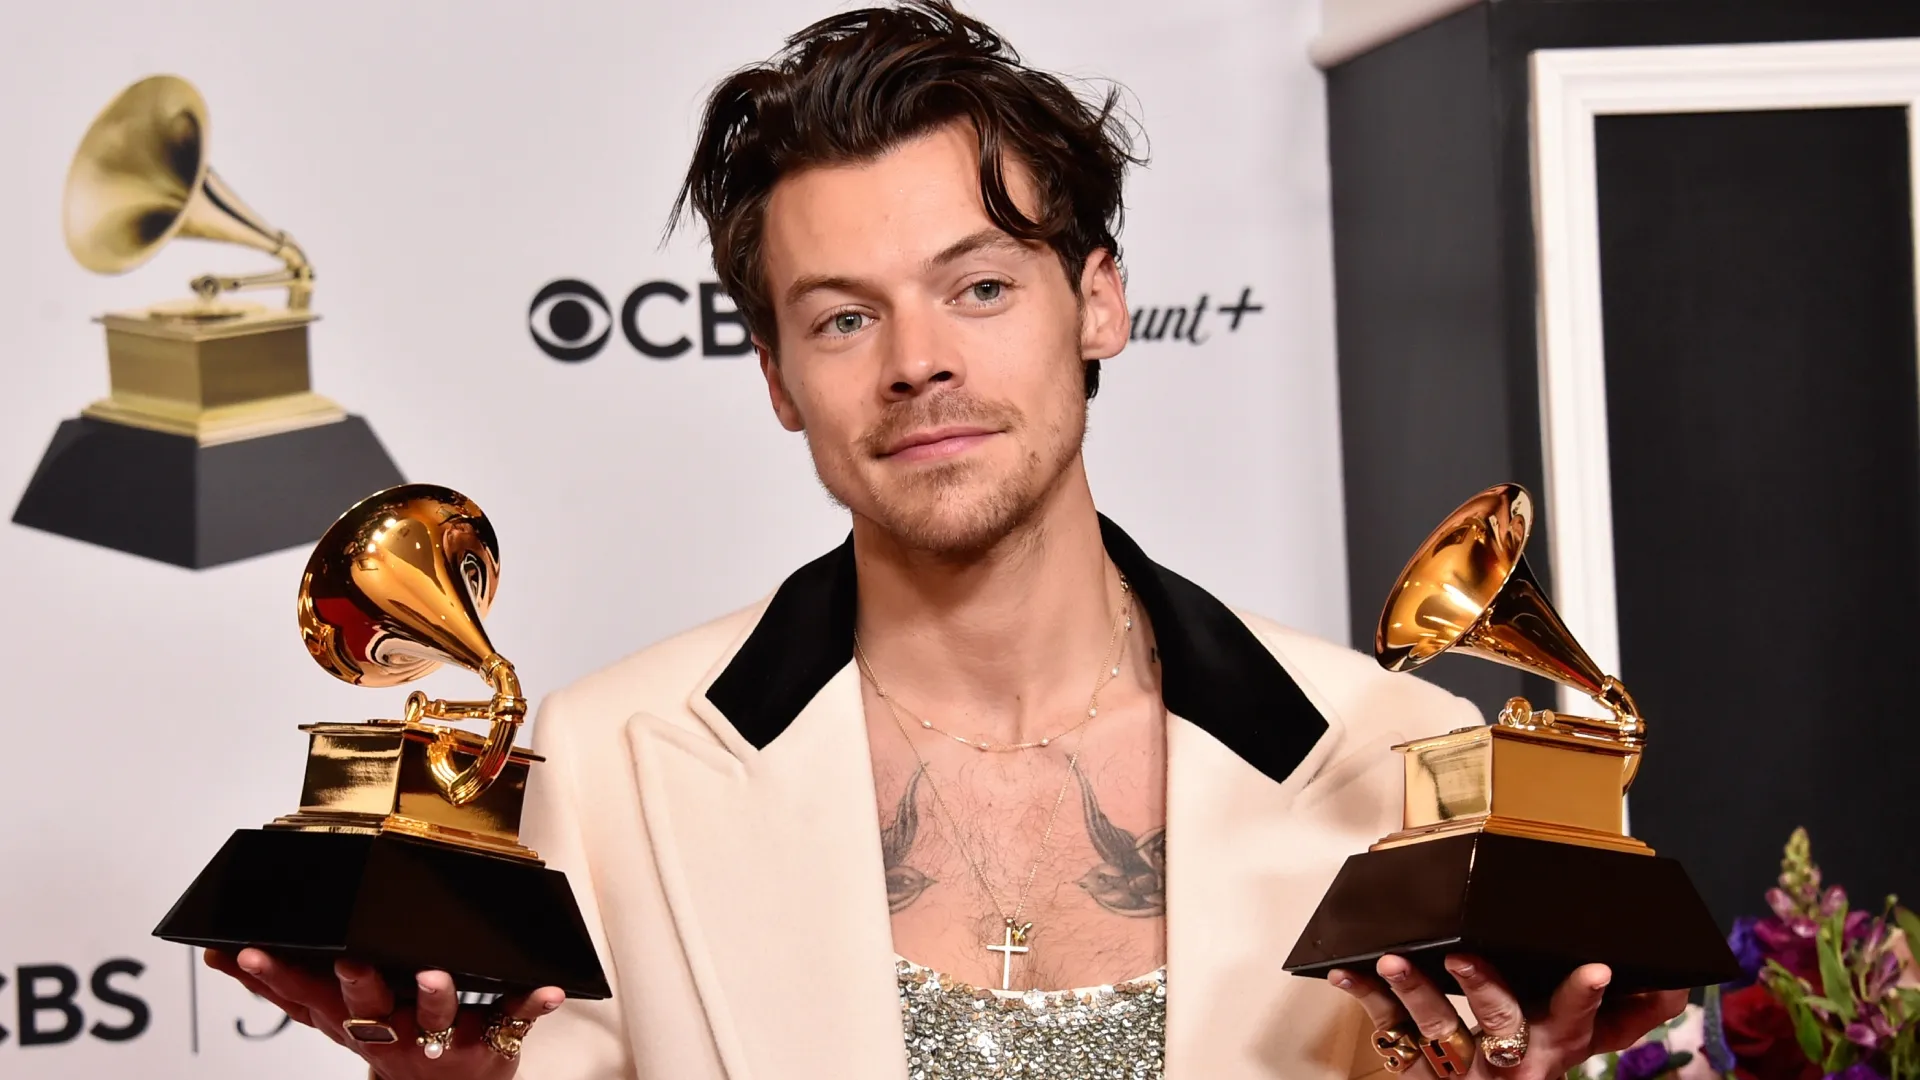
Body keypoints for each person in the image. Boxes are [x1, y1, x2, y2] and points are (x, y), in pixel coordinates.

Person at [204, 3, 1686, 1077]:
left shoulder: (1389, 754)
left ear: (1096, 301)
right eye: (844, 317)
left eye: (979, 288)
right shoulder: (607, 769)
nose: (918, 362)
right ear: (779, 379)